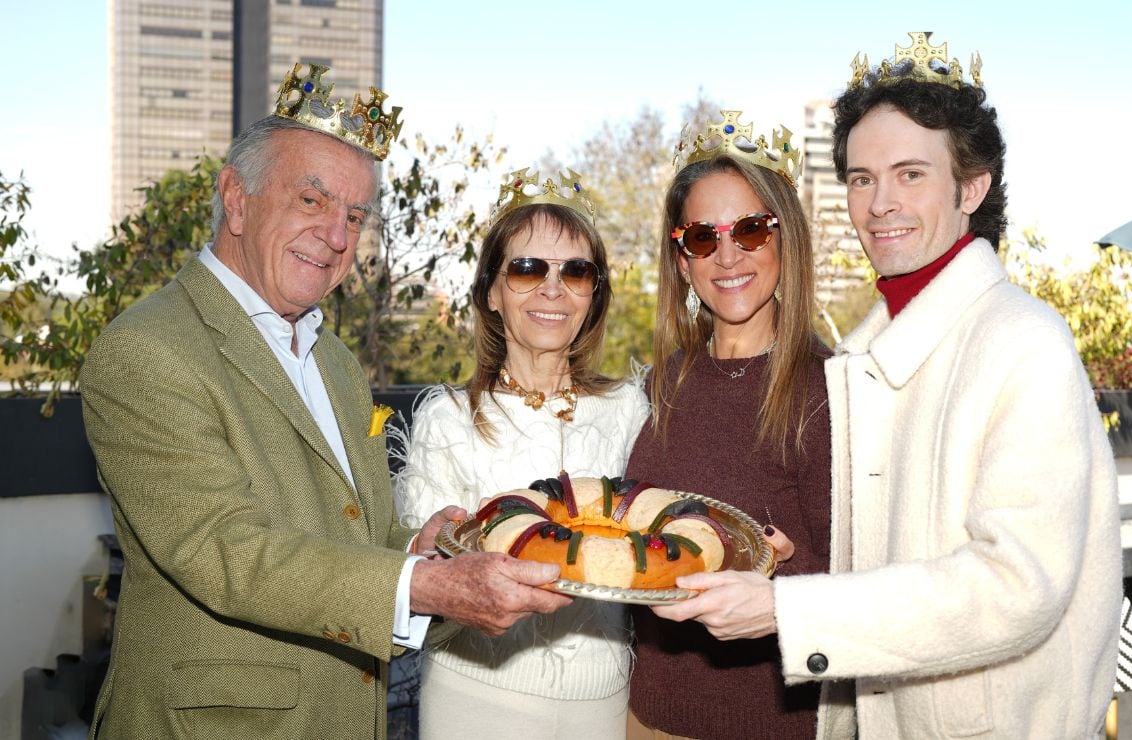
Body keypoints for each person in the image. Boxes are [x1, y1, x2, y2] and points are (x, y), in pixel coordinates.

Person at [653, 32, 1123, 738]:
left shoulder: (1024, 341)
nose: (880, 203)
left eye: (910, 174)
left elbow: (1016, 586)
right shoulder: (867, 360)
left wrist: (787, 610)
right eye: (862, 178)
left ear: (972, 187)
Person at [78, 63, 569, 740]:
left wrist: (419, 553)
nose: (338, 236)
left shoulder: (332, 357)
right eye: (311, 201)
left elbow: (346, 536)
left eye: (355, 215)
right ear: (237, 198)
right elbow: (226, 552)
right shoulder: (146, 349)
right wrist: (421, 587)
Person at [392, 168, 649, 739]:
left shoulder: (631, 409)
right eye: (528, 269)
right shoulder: (448, 419)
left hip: (604, 704)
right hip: (475, 698)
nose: (552, 290)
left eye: (576, 271)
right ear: (491, 291)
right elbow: (425, 584)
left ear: (594, 294)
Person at [623, 110, 831, 739]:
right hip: (647, 717)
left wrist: (787, 583)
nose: (728, 255)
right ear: (682, 260)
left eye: (750, 229)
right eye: (702, 237)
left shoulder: (831, 391)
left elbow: (876, 587)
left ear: (785, 238)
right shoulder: (665, 382)